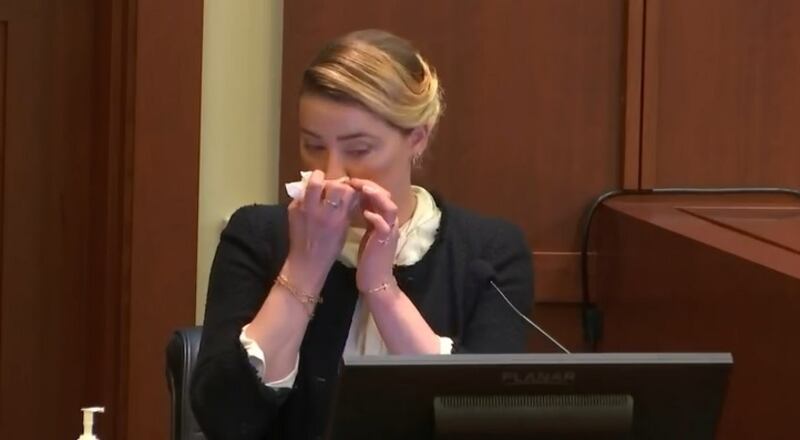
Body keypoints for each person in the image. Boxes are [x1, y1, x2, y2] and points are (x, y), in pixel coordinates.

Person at [190, 29, 534, 440]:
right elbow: (224, 420)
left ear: (417, 138)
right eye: (313, 145)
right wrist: (304, 267)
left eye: (358, 150)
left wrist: (382, 289)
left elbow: (482, 420)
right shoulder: (257, 236)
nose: (332, 173)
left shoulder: (488, 252)